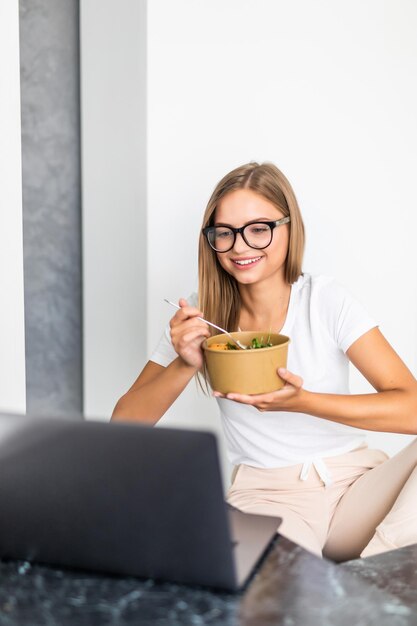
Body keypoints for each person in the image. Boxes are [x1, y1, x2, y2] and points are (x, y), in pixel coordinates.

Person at [112, 161, 417, 560]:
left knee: (370, 575)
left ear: (289, 229)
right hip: (269, 498)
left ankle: (376, 576)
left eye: (259, 229)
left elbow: (411, 408)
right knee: (271, 602)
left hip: (356, 487)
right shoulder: (201, 315)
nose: (240, 247)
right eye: (225, 233)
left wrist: (305, 401)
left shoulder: (324, 300)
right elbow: (125, 424)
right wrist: (186, 363)